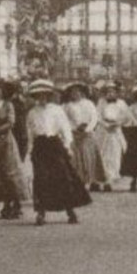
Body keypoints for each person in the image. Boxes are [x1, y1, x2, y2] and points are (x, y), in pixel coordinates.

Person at [26, 79, 92, 224]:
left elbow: (65, 129)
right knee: (41, 179)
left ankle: (70, 211)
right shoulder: (32, 113)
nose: (41, 99)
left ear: (48, 96)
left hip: (55, 145)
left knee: (62, 177)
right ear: (35, 97)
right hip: (40, 146)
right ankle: (41, 213)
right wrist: (30, 150)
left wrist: (68, 147)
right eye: (38, 96)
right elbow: (30, 133)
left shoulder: (56, 110)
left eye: (44, 95)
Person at [0, 81, 30, 219]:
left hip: (6, 140)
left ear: (2, 93)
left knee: (10, 171)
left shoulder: (8, 105)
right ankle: (5, 203)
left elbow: (11, 122)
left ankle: (16, 202)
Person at [91, 81, 128, 192]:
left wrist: (117, 124)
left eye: (113, 91)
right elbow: (97, 116)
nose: (110, 93)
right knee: (100, 155)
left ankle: (108, 181)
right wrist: (106, 124)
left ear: (116, 92)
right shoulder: (101, 102)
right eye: (108, 91)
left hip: (115, 131)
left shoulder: (121, 103)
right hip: (103, 131)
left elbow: (127, 117)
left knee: (113, 156)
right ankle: (96, 181)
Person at [63, 83, 100, 191]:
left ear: (82, 92)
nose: (75, 94)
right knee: (75, 158)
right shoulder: (68, 106)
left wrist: (88, 128)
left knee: (88, 156)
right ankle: (79, 180)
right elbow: (66, 120)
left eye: (77, 91)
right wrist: (74, 128)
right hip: (74, 133)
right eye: (72, 92)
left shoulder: (89, 104)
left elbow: (94, 117)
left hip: (88, 133)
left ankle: (91, 180)